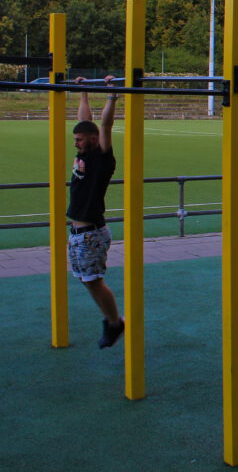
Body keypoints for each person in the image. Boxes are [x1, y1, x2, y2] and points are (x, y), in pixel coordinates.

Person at [67, 75, 123, 349]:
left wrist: (112, 94)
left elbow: (104, 124)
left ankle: (114, 322)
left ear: (92, 139)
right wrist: (84, 93)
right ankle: (110, 319)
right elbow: (85, 120)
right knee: (86, 280)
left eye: (79, 139)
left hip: (91, 233)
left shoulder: (102, 158)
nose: (75, 142)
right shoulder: (83, 154)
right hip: (78, 233)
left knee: (94, 282)